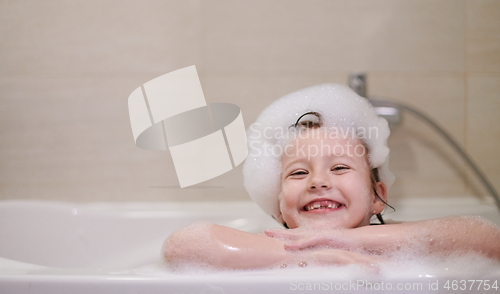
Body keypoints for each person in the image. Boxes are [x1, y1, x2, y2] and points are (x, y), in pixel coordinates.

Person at [162, 84, 500, 270]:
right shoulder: (269, 248)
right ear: (277, 208)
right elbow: (184, 245)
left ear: (377, 197)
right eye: (298, 172)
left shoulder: (394, 243)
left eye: (339, 167)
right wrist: (309, 255)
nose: (318, 181)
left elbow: (487, 240)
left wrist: (350, 240)